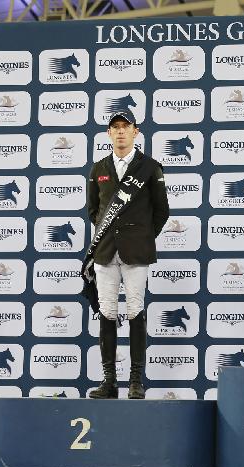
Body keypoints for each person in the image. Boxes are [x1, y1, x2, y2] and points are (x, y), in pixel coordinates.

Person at [85, 111, 169, 399]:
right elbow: (94, 211)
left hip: (137, 252)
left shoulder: (150, 167)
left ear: (136, 131)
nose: (120, 131)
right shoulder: (98, 168)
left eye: (125, 126)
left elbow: (161, 211)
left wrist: (141, 237)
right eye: (115, 127)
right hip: (105, 251)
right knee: (107, 312)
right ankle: (109, 381)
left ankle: (136, 381)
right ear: (109, 133)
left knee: (135, 311)